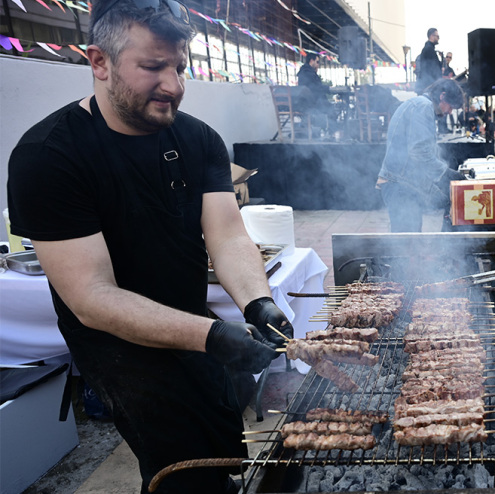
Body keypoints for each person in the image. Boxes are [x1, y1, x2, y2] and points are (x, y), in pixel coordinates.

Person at [6, 0, 292, 492]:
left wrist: (256, 300)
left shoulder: (198, 139)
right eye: (153, 67)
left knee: (222, 424)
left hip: (188, 312)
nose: (174, 85)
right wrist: (210, 336)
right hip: (112, 340)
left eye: (179, 67)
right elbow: (92, 296)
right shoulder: (48, 156)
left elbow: (226, 234)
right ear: (99, 62)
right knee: (178, 454)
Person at [376, 78, 465, 232]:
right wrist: (447, 173)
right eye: (450, 107)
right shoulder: (423, 107)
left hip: (403, 185)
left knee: (411, 241)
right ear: (442, 96)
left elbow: (419, 162)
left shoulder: (419, 105)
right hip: (400, 187)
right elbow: (419, 153)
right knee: (406, 244)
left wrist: (439, 195)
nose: (450, 112)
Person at [415, 28, 442, 94]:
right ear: (431, 36)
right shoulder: (429, 49)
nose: (439, 38)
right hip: (429, 86)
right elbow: (434, 70)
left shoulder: (428, 48)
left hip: (427, 85)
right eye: (437, 36)